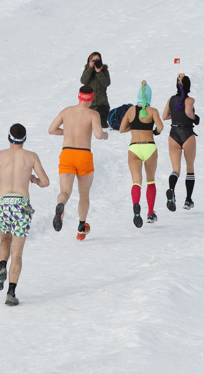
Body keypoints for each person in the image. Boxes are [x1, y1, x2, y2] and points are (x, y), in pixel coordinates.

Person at [0, 124, 49, 306]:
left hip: (3, 203)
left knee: (4, 241)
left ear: (9, 138)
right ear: (24, 139)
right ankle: (11, 292)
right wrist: (33, 179)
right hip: (22, 205)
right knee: (17, 253)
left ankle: (2, 266)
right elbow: (46, 182)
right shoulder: (31, 157)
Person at [48, 86, 109, 240]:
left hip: (67, 153)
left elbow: (52, 130)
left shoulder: (66, 111)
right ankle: (81, 227)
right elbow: (98, 134)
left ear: (79, 96)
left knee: (65, 191)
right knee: (84, 193)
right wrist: (105, 135)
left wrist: (68, 131)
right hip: (84, 155)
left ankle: (61, 205)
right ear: (91, 98)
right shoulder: (93, 114)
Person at [119, 81, 165, 227]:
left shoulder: (130, 110)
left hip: (134, 148)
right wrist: (154, 132)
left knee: (136, 182)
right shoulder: (153, 111)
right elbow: (160, 127)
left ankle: (136, 208)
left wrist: (133, 128)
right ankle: (150, 213)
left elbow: (121, 129)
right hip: (149, 147)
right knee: (150, 180)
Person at [161, 73, 199, 211]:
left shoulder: (171, 99)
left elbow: (164, 116)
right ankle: (188, 200)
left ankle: (171, 190)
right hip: (187, 134)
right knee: (190, 168)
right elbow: (189, 112)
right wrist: (195, 118)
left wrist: (176, 115)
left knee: (175, 169)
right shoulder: (189, 100)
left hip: (173, 135)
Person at [79, 52, 111, 123]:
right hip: (89, 104)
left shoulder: (104, 71)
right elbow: (83, 81)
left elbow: (106, 83)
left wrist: (99, 72)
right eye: (93, 60)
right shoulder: (87, 70)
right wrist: (90, 69)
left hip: (102, 104)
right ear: (89, 61)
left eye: (97, 60)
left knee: (102, 124)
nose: (96, 62)